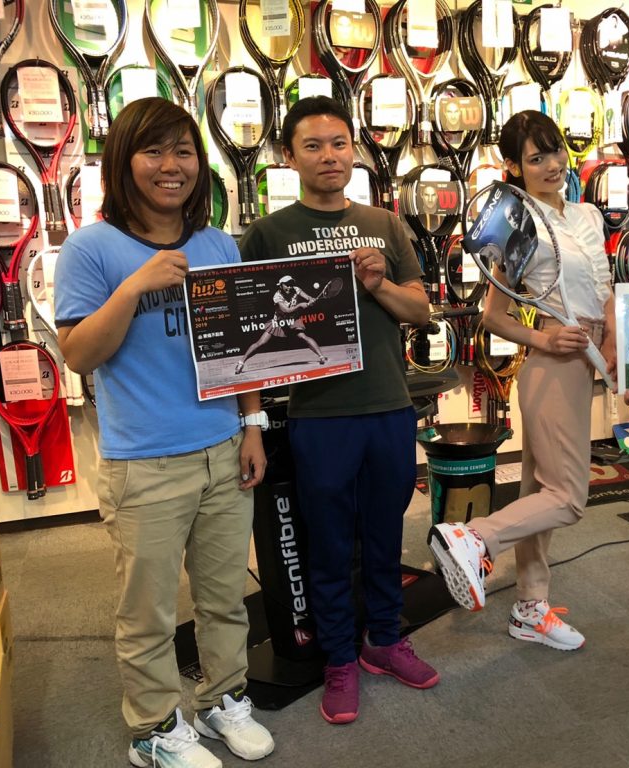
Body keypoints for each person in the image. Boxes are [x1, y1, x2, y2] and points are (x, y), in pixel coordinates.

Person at [54, 97, 274, 767]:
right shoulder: (91, 249)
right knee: (147, 612)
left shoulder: (217, 245)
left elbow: (242, 349)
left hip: (222, 451)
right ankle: (154, 730)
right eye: (153, 151)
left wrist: (253, 425)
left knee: (224, 598)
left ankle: (222, 699)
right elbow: (78, 355)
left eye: (183, 150)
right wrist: (133, 289)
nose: (170, 165)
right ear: (124, 162)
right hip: (144, 463)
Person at [238, 95, 438, 725]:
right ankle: (339, 660)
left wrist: (380, 284)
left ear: (354, 150)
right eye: (313, 145)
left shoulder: (386, 225)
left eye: (339, 143)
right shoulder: (268, 235)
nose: (329, 156)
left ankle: (385, 640)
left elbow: (421, 311)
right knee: (325, 544)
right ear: (289, 156)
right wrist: (251, 422)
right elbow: (248, 339)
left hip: (388, 407)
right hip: (319, 416)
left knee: (384, 534)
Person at [427, 110, 629, 650]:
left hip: (593, 354)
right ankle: (476, 537)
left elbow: (606, 291)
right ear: (513, 167)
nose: (552, 165)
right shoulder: (515, 226)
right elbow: (493, 317)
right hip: (554, 364)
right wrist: (545, 340)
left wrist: (617, 349)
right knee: (568, 497)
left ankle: (530, 606)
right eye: (536, 157)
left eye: (555, 152)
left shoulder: (588, 215)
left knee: (538, 492)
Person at [233, 275, 327, 374]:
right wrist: (300, 305)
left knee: (303, 337)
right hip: (278, 322)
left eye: (291, 284)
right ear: (281, 285)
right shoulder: (277, 296)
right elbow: (286, 310)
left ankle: (321, 357)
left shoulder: (296, 289)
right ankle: (241, 362)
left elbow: (308, 297)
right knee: (261, 343)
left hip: (293, 320)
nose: (289, 287)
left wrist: (311, 300)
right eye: (287, 285)